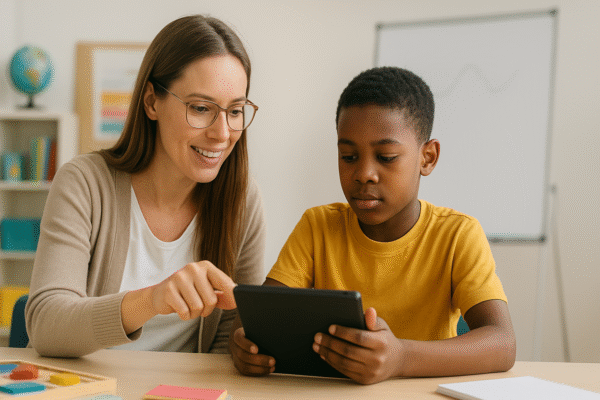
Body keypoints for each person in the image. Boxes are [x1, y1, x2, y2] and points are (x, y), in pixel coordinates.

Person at [230, 66, 516, 384]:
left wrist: (401, 358)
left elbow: (502, 344)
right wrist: (243, 343)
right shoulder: (317, 227)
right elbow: (259, 321)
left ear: (428, 158)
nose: (364, 173)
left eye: (387, 156)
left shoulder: (457, 235)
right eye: (348, 157)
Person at [25, 15, 265, 357]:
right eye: (200, 108)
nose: (222, 133)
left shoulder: (242, 200)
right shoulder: (85, 183)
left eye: (236, 111)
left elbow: (231, 347)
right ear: (152, 101)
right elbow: (46, 325)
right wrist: (151, 300)